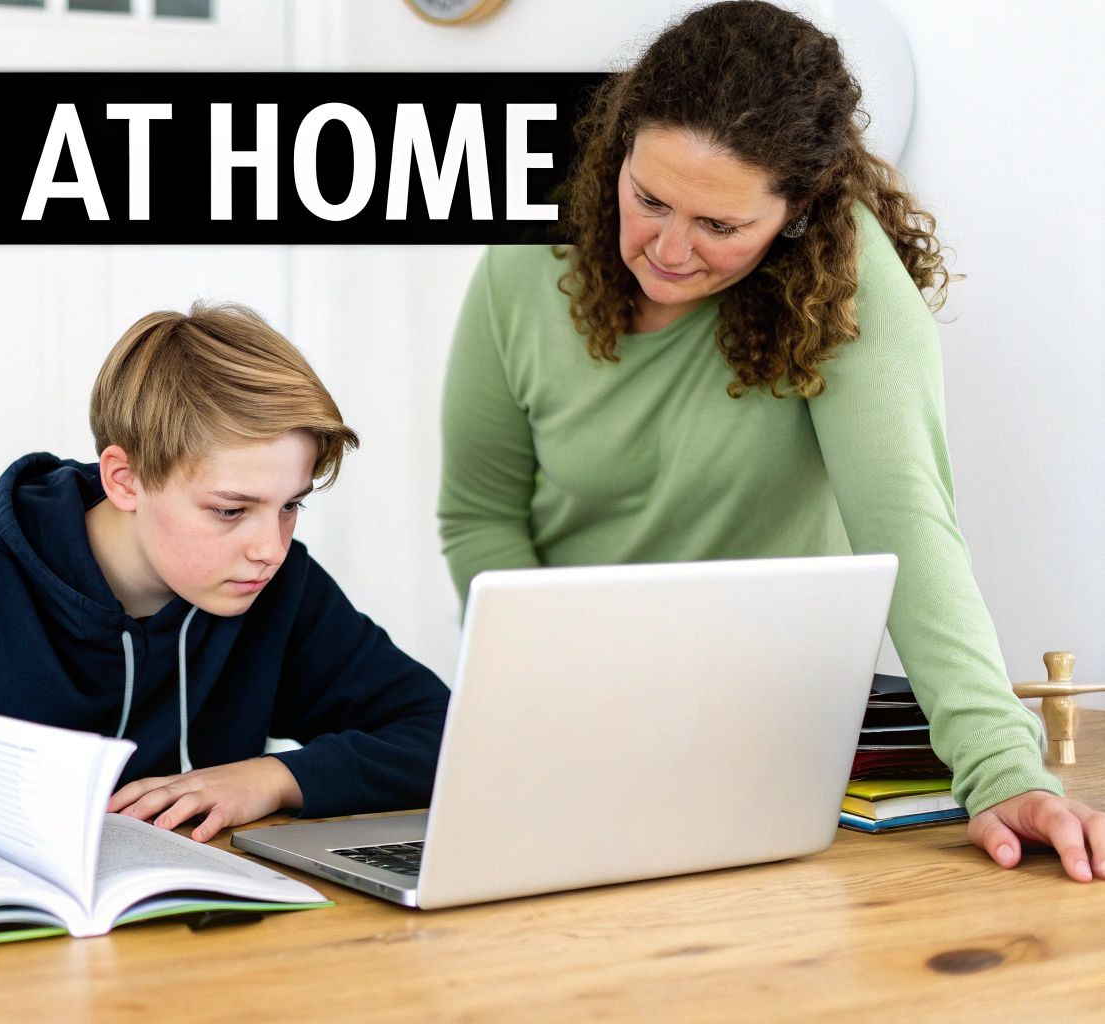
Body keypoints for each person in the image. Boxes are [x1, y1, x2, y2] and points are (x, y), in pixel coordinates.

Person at [438, 0, 1104, 880]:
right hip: (569, 718)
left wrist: (1002, 769)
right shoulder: (526, 262)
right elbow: (479, 514)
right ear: (619, 149)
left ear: (794, 214)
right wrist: (555, 694)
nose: (669, 250)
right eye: (648, 200)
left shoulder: (843, 284)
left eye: (720, 227)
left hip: (768, 731)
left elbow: (909, 528)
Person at [0, 303, 449, 845]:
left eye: (289, 506)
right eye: (231, 511)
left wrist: (273, 776)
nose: (270, 546)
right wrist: (6, 814)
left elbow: (445, 730)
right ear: (125, 479)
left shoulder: (275, 585)